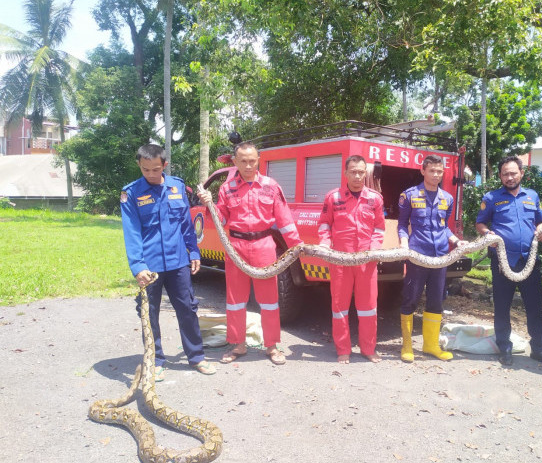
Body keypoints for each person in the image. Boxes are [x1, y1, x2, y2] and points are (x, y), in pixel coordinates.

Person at [198, 142, 302, 366]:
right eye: (243, 161)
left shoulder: (271, 186)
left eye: (252, 160)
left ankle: (272, 346)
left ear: (258, 160)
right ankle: (238, 344)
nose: (248, 165)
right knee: (236, 300)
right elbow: (222, 220)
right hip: (236, 247)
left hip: (264, 245)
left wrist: (296, 247)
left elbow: (284, 219)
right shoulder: (227, 189)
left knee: (269, 300)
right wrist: (209, 205)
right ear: (235, 162)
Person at [120, 144, 215, 381]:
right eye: (145, 170)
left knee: (187, 307)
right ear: (139, 166)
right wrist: (138, 266)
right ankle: (156, 360)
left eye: (155, 169)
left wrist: (193, 252)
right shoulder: (131, 193)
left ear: (165, 165)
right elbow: (131, 232)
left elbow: (186, 224)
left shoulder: (177, 186)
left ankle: (196, 357)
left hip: (178, 261)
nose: (151, 174)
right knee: (149, 312)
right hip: (149, 265)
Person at [475, 155, 542, 367]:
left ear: (521, 173)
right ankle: (504, 348)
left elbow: (540, 221)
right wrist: (488, 235)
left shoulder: (532, 196)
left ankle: (539, 350)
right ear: (500, 176)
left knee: (534, 307)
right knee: (502, 306)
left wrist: (541, 231)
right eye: (505, 174)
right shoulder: (491, 198)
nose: (509, 177)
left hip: (529, 260)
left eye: (513, 173)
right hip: (503, 261)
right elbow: (480, 224)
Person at [398, 154, 468, 362]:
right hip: (417, 256)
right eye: (432, 171)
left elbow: (444, 227)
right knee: (411, 298)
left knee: (437, 300)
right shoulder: (409, 195)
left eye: (439, 171)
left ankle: (430, 345)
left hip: (440, 257)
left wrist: (456, 241)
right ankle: (407, 345)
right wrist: (403, 244)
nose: (436, 175)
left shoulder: (447, 198)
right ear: (423, 171)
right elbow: (402, 224)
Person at [318, 155, 385, 364]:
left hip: (366, 260)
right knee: (340, 307)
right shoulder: (333, 197)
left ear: (366, 173)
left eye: (361, 172)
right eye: (353, 171)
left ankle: (368, 348)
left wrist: (373, 249)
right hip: (340, 259)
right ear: (345, 173)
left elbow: (379, 228)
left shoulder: (375, 198)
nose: (357, 176)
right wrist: (324, 244)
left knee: (368, 307)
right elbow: (324, 225)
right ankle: (343, 349)